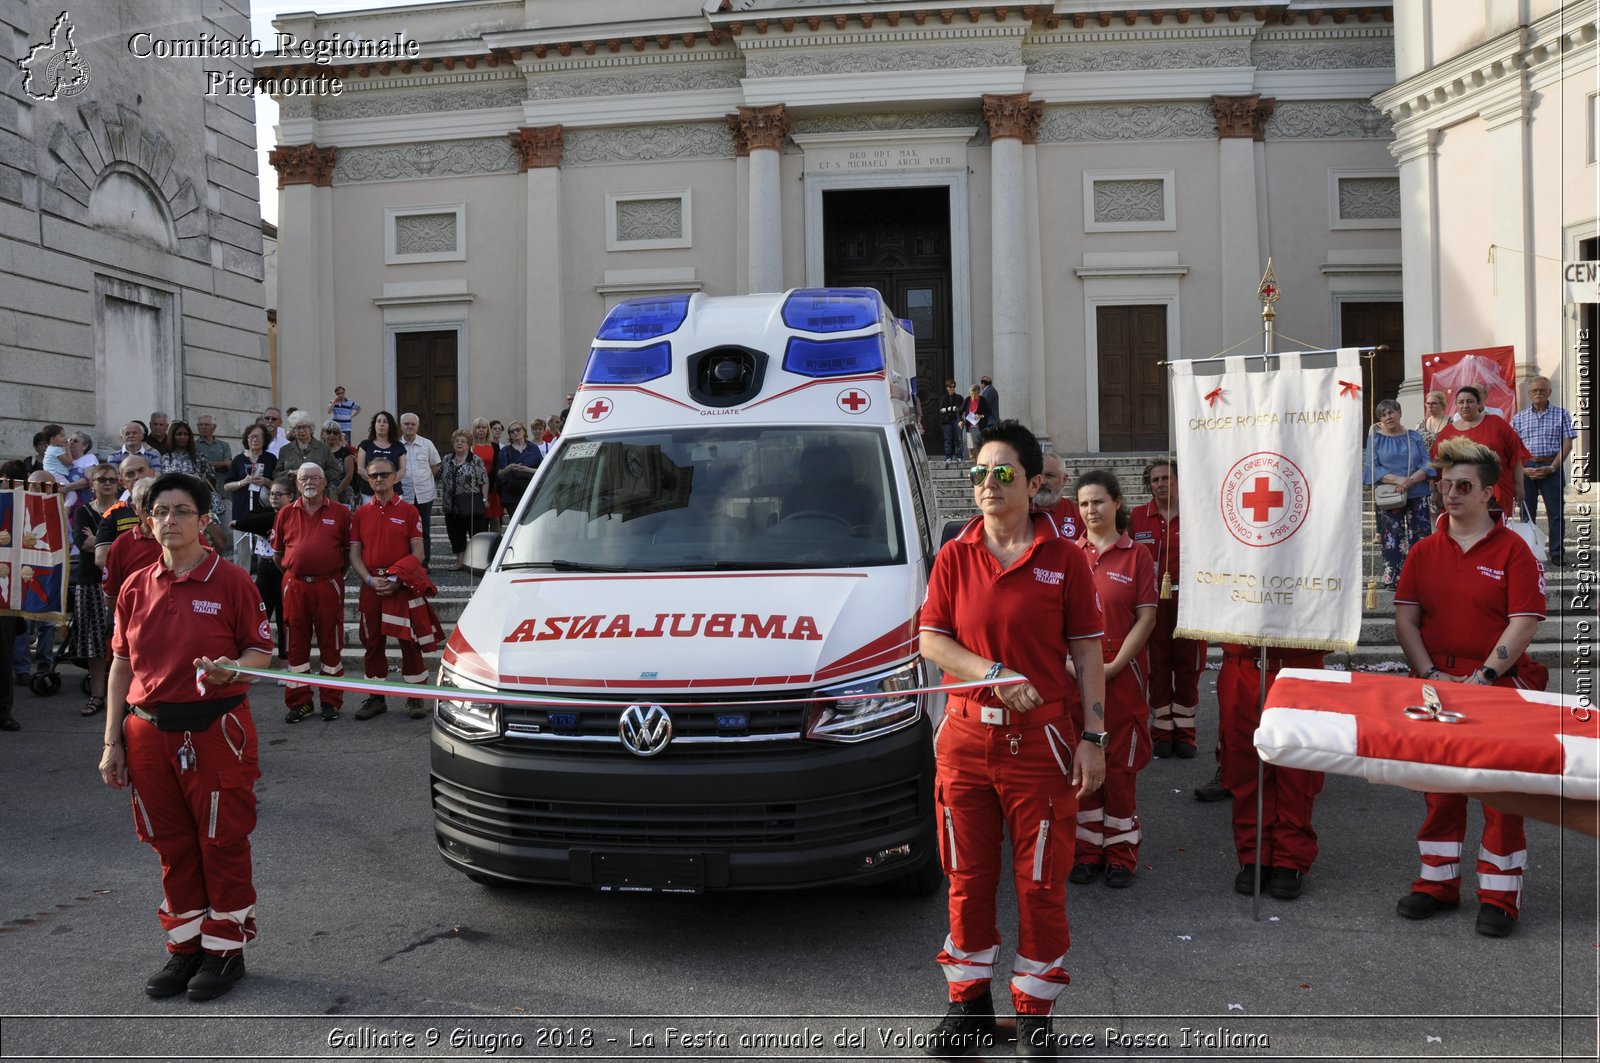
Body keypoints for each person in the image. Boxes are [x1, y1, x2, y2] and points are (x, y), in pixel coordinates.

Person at [917, 420, 1106, 1057]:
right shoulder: (954, 554)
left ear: (1032, 484)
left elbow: (1087, 652)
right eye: (979, 474)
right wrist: (993, 675)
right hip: (966, 742)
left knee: (1040, 882)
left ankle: (1034, 1016)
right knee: (965, 876)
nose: (988, 485)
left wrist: (1094, 738)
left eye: (1003, 474)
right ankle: (968, 1005)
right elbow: (933, 639)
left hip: (1041, 744)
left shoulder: (1066, 559)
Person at [98, 472, 273, 1002]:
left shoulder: (232, 582)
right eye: (160, 512)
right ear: (148, 523)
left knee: (221, 842)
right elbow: (121, 666)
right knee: (171, 846)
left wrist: (231, 667)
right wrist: (112, 742)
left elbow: (260, 654)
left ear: (203, 521)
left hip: (215, 730)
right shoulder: (134, 585)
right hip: (147, 733)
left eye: (181, 511)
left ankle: (225, 951)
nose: (170, 520)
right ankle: (186, 948)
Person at [1393, 437, 1548, 938]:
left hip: (1497, 687)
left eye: (1464, 486)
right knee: (1440, 792)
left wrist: (1482, 678)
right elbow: (1406, 619)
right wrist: (1430, 675)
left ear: (1487, 494)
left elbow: (1523, 622)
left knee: (1501, 795)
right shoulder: (1423, 550)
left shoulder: (1515, 550)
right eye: (1444, 485)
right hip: (1436, 687)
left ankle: (1500, 896)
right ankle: (1436, 885)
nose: (1450, 494)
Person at [1067, 469, 1156, 890]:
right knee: (1082, 766)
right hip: (1075, 679)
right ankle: (1086, 852)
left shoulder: (1136, 555)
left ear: (1117, 503)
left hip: (1122, 678)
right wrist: (1074, 669)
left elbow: (1146, 617)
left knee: (1120, 768)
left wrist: (1116, 665)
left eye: (1099, 501)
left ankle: (1121, 854)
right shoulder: (1068, 554)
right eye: (1084, 503)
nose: (1091, 510)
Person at [1128, 460, 1206, 762]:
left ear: (1178, 480)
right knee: (1157, 666)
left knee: (1189, 666)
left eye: (1166, 478)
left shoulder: (1197, 515)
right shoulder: (1136, 518)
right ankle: (1161, 730)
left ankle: (1185, 732)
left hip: (1190, 603)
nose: (1160, 484)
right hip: (1151, 605)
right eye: (1155, 480)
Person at [347, 456, 428, 720]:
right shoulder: (360, 513)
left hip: (401, 586)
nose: (378, 479)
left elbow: (419, 553)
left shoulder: (409, 511)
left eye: (383, 474)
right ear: (368, 480)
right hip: (371, 586)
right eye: (373, 476)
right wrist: (369, 580)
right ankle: (376, 697)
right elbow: (355, 554)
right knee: (372, 642)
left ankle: (416, 697)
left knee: (409, 641)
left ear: (395, 477)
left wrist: (396, 579)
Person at [273, 463, 350, 723]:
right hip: (295, 586)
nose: (310, 482)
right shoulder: (284, 513)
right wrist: (297, 568)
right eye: (304, 478)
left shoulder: (340, 512)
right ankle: (300, 702)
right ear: (296, 484)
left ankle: (331, 701)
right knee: (296, 642)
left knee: (331, 641)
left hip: (328, 584)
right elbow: (278, 554)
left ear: (324, 482)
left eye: (315, 477)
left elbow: (349, 553)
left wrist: (329, 571)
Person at [1364, 399, 1434, 588]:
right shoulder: (1375, 439)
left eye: (1391, 412)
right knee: (1391, 536)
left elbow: (1427, 463)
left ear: (1400, 413)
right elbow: (1372, 467)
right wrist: (1398, 480)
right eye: (1384, 414)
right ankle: (1393, 577)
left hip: (1417, 491)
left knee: (1419, 534)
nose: (1388, 417)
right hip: (1390, 494)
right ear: (1380, 419)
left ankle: (1420, 575)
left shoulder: (1414, 436)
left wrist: (1410, 481)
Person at [71, 463, 122, 717]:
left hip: (121, 582)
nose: (107, 483)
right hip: (91, 582)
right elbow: (84, 543)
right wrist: (115, 544)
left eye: (112, 479)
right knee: (94, 641)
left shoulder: (123, 511)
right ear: (92, 484)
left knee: (122, 639)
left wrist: (100, 541)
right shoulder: (82, 512)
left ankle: (120, 694)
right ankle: (98, 694)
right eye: (101, 479)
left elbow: (125, 545)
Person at [1431, 385, 1527, 518]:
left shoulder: (1496, 423)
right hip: (1460, 493)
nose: (1465, 405)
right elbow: (1436, 464)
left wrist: (1519, 485)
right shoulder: (1447, 432)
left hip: (1496, 491)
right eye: (1461, 402)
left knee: (1495, 530)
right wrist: (1437, 491)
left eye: (1470, 401)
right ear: (1456, 406)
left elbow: (1516, 455)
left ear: (1479, 403)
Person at [1510, 376, 1574, 566]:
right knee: (1526, 514)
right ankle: (1528, 552)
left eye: (1542, 390)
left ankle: (1556, 553)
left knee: (1555, 513)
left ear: (1549, 392)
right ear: (1529, 394)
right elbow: (1513, 448)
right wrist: (1523, 470)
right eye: (1534, 390)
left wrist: (1552, 467)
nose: (1538, 393)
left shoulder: (1562, 414)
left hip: (1551, 467)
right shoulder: (1519, 417)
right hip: (1526, 468)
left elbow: (1567, 444)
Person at [231, 475, 295, 660]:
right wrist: (252, 524)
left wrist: (245, 524)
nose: (274, 497)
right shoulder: (266, 512)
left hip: (282, 569)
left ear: (290, 497)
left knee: (284, 619)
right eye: (272, 494)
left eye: (278, 494)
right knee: (260, 617)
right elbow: (252, 519)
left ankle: (285, 664)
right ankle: (254, 661)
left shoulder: (290, 514)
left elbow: (261, 522)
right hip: (264, 569)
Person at [160, 421, 229, 554]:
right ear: (172, 436)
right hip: (178, 504)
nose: (182, 437)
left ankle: (218, 564)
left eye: (185, 434)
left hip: (202, 501)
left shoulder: (199, 456)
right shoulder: (165, 459)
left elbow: (212, 478)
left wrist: (199, 480)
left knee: (219, 540)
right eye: (178, 434)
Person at [222, 426, 276, 570]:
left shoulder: (270, 459)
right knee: (241, 550)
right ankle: (242, 583)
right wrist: (243, 482)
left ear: (265, 440)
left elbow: (278, 485)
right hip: (242, 508)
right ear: (246, 439)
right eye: (252, 436)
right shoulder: (239, 459)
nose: (255, 439)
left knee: (263, 549)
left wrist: (266, 481)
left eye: (259, 436)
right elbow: (227, 486)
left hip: (263, 511)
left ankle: (262, 583)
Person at [397, 413, 441, 569]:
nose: (410, 427)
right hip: (403, 495)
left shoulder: (427, 444)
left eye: (413, 424)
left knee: (424, 530)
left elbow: (435, 466)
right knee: (403, 531)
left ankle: (423, 563)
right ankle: (406, 563)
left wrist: (424, 480)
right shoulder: (396, 445)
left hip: (424, 493)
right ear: (401, 426)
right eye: (406, 424)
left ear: (417, 426)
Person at [440, 429, 489, 571]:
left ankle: (479, 562)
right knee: (455, 535)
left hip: (470, 503)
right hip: (451, 504)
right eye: (457, 441)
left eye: (463, 441)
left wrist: (485, 499)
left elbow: (484, 480)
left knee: (477, 533)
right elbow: (440, 476)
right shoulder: (447, 459)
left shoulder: (475, 460)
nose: (459, 444)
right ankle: (459, 561)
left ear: (468, 444)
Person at [276, 411, 338, 493]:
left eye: (304, 427)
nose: (301, 430)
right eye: (297, 427)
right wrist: (291, 473)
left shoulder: (323, 448)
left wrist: (316, 475)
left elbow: (336, 471)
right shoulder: (285, 450)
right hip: (292, 496)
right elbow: (276, 473)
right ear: (293, 430)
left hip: (318, 495)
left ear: (310, 428)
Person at [356, 411, 406, 505]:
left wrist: (387, 484)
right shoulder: (365, 445)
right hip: (369, 493)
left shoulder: (399, 446)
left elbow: (402, 470)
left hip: (394, 492)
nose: (381, 424)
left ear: (390, 426)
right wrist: (376, 483)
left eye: (385, 421)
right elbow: (360, 469)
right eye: (378, 421)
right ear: (374, 425)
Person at [1032, 453, 1081, 539]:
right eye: (1038, 476)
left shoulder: (1079, 515)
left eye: (1049, 476)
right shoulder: (1019, 514)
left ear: (1064, 479)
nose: (1042, 482)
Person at [498, 420, 541, 516]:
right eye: (512, 431)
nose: (515, 432)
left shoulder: (533, 448)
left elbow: (542, 469)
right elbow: (499, 474)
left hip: (530, 491)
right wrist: (508, 468)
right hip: (511, 494)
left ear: (524, 431)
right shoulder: (505, 451)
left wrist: (527, 469)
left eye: (518, 429)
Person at [470, 418, 502, 527]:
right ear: (474, 430)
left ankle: (496, 543)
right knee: (479, 520)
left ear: (487, 429)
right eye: (478, 427)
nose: (481, 430)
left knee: (495, 519)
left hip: (492, 487)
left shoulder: (494, 446)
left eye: (484, 427)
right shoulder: (470, 446)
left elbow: (497, 466)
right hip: (475, 487)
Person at [321, 420, 358, 505]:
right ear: (323, 434)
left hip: (343, 493)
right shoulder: (318, 452)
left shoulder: (345, 452)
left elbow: (349, 475)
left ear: (339, 435)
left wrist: (337, 492)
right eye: (329, 432)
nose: (332, 435)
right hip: (322, 492)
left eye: (335, 433)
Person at [962, 385, 991, 459]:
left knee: (979, 445)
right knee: (970, 446)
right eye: (971, 394)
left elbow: (989, 412)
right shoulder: (967, 400)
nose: (973, 396)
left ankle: (980, 460)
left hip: (980, 426)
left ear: (978, 393)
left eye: (975, 394)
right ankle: (971, 460)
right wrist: (960, 420)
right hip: (970, 426)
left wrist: (981, 416)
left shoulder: (983, 400)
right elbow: (960, 411)